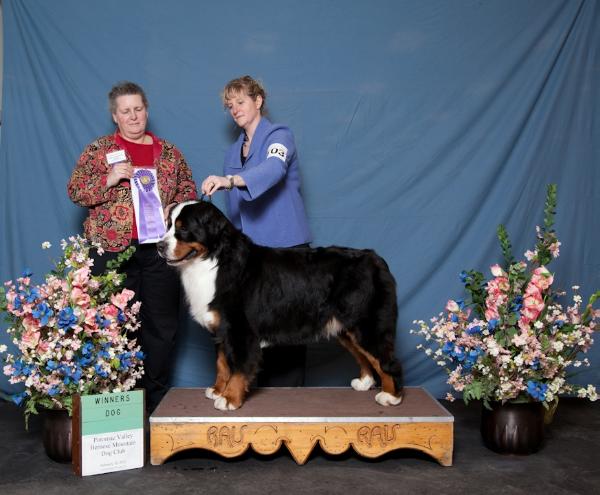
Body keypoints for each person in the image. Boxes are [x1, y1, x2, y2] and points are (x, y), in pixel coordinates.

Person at [68, 81, 197, 411]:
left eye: (138, 108)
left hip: (160, 252)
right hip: (112, 252)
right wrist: (109, 179)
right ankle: (119, 405)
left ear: (147, 111)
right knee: (113, 326)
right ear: (115, 116)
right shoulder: (98, 151)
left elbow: (188, 192)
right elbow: (76, 190)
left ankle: (155, 404)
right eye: (126, 111)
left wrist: (177, 207)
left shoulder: (169, 153)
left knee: (163, 326)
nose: (133, 115)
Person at [201, 75, 311, 387]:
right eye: (229, 105)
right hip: (249, 255)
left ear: (258, 101)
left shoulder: (279, 136)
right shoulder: (231, 153)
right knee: (250, 325)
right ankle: (257, 397)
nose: (234, 109)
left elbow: (274, 171)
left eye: (240, 101)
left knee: (289, 324)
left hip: (286, 248)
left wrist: (231, 180)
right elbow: (234, 210)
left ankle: (291, 398)